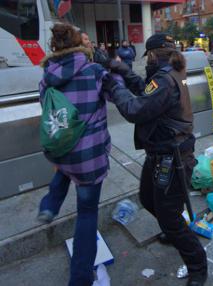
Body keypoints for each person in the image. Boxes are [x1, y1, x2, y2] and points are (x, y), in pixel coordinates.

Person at [102, 33, 208, 286]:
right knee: (148, 199)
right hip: (160, 153)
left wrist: (114, 87)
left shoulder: (164, 78)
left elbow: (136, 109)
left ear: (153, 54)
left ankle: (197, 265)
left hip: (172, 157)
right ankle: (174, 230)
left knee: (169, 216)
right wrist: (123, 71)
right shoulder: (168, 72)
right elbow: (145, 92)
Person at [37, 23, 116, 286]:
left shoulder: (46, 76)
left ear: (55, 46)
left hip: (61, 152)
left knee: (64, 171)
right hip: (89, 158)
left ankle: (49, 206)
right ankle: (81, 278)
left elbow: (48, 109)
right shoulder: (94, 71)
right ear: (79, 45)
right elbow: (118, 94)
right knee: (86, 214)